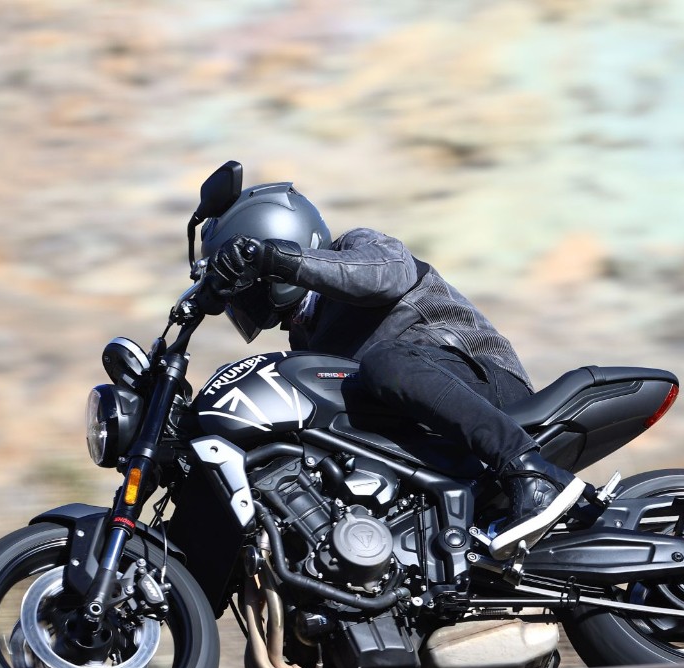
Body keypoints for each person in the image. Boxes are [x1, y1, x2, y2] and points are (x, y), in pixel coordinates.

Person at [200, 181, 587, 557]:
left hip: (487, 391)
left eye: (245, 281)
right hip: (430, 428)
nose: (244, 298)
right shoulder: (305, 334)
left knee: (384, 360)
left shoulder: (359, 247)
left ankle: (531, 472)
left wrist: (276, 259)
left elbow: (383, 276)